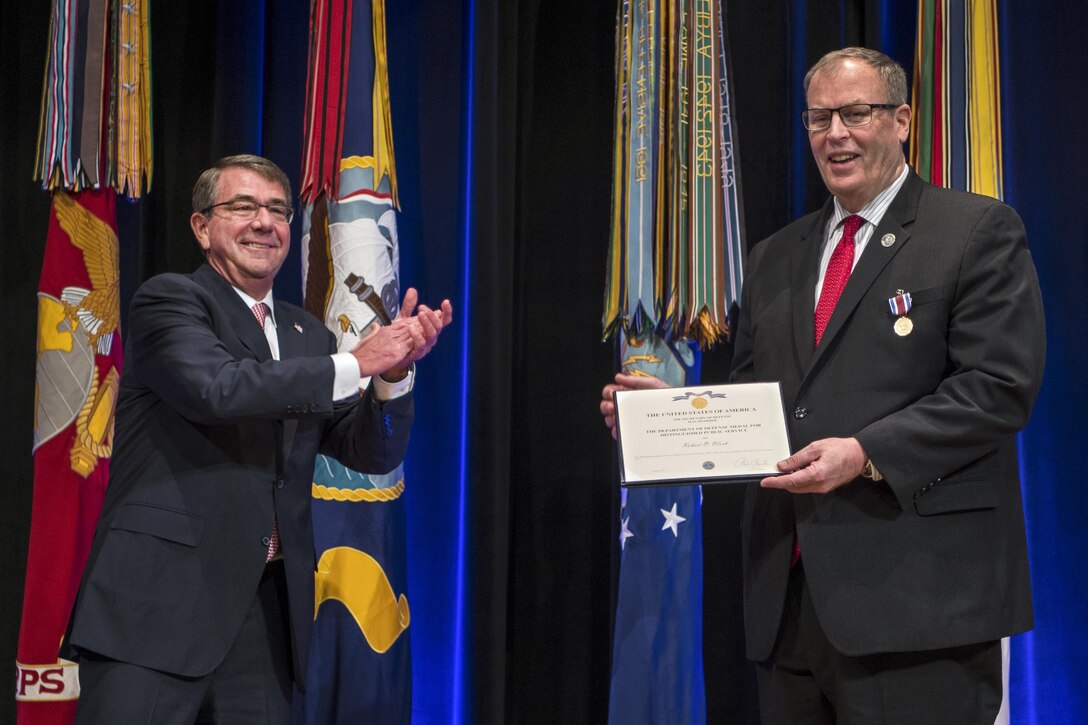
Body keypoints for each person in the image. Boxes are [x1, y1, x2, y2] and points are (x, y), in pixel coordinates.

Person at [601, 48, 1045, 723]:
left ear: (901, 120)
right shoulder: (776, 255)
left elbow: (997, 387)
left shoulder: (975, 231)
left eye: (855, 113)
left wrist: (864, 453)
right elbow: (758, 405)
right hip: (789, 607)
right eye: (818, 119)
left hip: (919, 606)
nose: (835, 133)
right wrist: (662, 422)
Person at [66, 154, 452, 723]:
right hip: (157, 611)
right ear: (202, 227)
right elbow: (218, 389)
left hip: (268, 620)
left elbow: (368, 451)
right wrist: (356, 362)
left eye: (276, 210)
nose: (263, 222)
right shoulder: (170, 302)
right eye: (242, 207)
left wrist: (392, 376)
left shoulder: (308, 335)